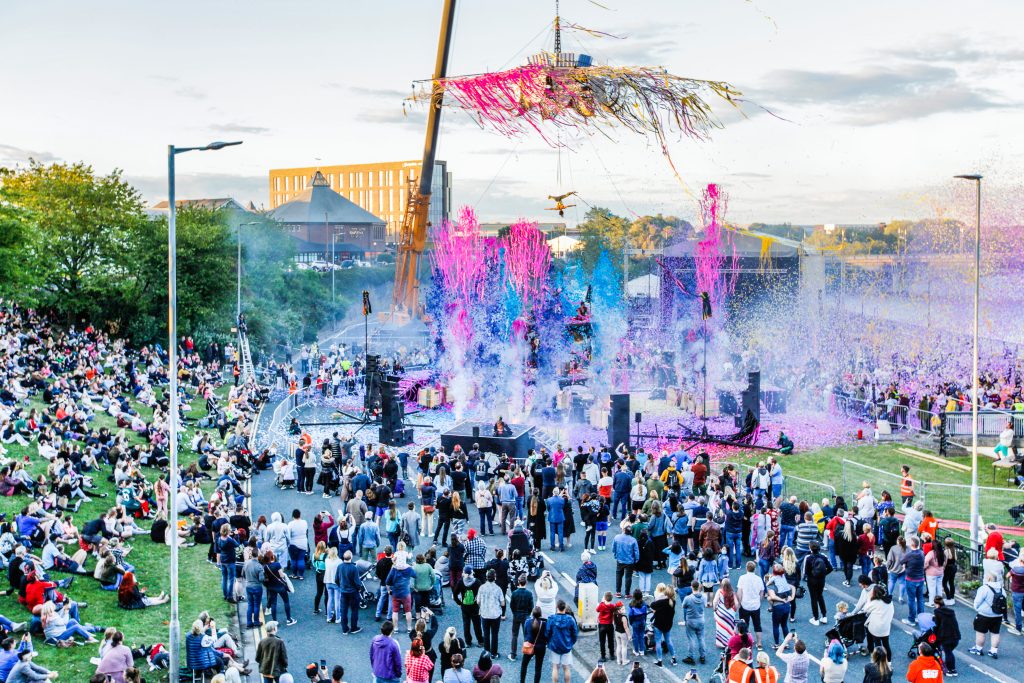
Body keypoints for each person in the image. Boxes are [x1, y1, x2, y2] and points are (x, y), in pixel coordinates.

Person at [969, 572, 1005, 659]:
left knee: (981, 633)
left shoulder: (984, 588)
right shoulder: (1001, 589)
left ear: (988, 579)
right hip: (997, 615)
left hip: (984, 615)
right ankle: (993, 651)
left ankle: (978, 649)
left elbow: (977, 601)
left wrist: (977, 609)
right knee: (995, 633)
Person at [545, 600, 578, 683]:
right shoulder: (570, 619)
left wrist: (549, 642)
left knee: (555, 667)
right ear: (565, 608)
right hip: (566, 646)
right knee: (566, 668)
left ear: (557, 607)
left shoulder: (551, 619)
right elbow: (575, 634)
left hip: (555, 646)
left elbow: (547, 633)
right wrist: (570, 643)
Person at [736, 561, 765, 650]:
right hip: (755, 606)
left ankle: (744, 643)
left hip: (745, 605)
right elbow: (761, 592)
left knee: (744, 625)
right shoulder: (759, 579)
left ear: (746, 568)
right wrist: (759, 601)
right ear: (754, 569)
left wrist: (739, 603)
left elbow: (739, 592)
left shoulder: (742, 578)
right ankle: (759, 643)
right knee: (757, 624)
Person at [801, 542, 831, 625]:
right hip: (821, 580)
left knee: (813, 599)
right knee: (820, 596)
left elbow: (806, 572)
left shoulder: (809, 558)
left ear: (810, 548)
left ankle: (816, 618)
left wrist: (810, 576)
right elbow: (830, 568)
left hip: (812, 580)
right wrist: (823, 574)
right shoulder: (823, 557)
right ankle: (824, 616)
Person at [478, 569, 505, 659]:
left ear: (486, 577)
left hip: (484, 613)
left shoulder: (481, 588)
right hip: (495, 614)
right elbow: (502, 603)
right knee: (494, 634)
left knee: (486, 633)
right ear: (495, 578)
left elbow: (478, 601)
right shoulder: (498, 589)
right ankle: (494, 653)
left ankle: (486, 652)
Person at [863, 584, 894, 660]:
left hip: (876, 628)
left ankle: (877, 659)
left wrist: (870, 599)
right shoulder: (890, 602)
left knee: (877, 645)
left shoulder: (875, 602)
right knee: (886, 645)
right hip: (886, 627)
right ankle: (889, 663)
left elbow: (865, 609)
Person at [650, 584, 678, 666]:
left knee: (658, 642)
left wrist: (660, 596)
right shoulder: (673, 602)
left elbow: (652, 605)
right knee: (668, 641)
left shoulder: (661, 602)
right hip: (668, 624)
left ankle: (660, 660)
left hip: (659, 624)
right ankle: (673, 658)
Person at [932, 596, 960, 677]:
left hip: (946, 636)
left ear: (937, 604)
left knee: (948, 653)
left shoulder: (937, 611)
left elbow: (937, 624)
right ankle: (952, 668)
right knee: (949, 652)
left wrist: (933, 619)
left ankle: (951, 670)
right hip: (956, 636)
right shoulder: (951, 611)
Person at [681, 580, 707, 665]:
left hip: (691, 621)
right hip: (700, 620)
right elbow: (705, 605)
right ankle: (702, 656)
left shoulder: (688, 598)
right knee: (701, 638)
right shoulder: (704, 597)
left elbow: (683, 606)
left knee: (691, 639)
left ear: (691, 587)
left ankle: (691, 656)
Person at [520, 607, 548, 683]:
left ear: (532, 613)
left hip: (529, 646)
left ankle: (522, 681)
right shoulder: (544, 624)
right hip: (541, 647)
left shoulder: (527, 622)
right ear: (540, 614)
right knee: (538, 668)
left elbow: (525, 633)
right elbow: (546, 635)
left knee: (524, 665)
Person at [509, 576, 535, 660]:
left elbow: (512, 606)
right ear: (526, 583)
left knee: (514, 635)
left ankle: (513, 654)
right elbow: (531, 606)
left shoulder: (514, 593)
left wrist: (515, 613)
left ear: (518, 582)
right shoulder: (529, 593)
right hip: (526, 616)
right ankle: (528, 653)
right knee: (527, 635)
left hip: (516, 615)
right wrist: (528, 613)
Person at [612, 521, 638, 597]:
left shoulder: (617, 537)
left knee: (619, 575)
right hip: (630, 561)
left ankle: (618, 592)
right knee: (628, 577)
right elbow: (636, 552)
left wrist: (615, 555)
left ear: (624, 530)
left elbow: (613, 548)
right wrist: (636, 560)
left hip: (620, 559)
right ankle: (627, 593)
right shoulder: (633, 540)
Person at [596, 592, 623, 664]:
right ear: (611, 598)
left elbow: (597, 610)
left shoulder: (601, 605)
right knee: (611, 640)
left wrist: (602, 601)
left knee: (602, 641)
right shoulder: (612, 606)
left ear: (605, 598)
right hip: (610, 625)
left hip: (602, 624)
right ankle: (612, 655)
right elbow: (616, 609)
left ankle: (603, 656)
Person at [714, 578, 740, 649]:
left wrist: (715, 608)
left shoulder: (719, 591)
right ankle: (729, 643)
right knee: (730, 628)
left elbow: (715, 601)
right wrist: (735, 610)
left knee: (720, 628)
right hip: (730, 614)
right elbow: (737, 603)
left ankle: (721, 643)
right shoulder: (732, 592)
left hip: (721, 613)